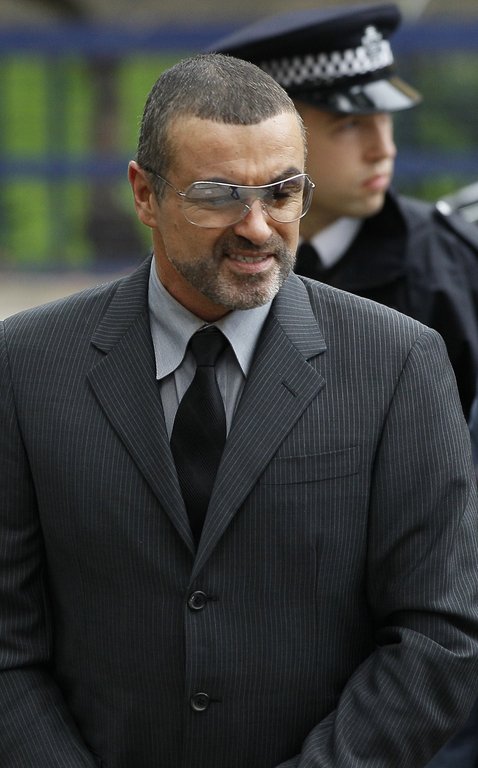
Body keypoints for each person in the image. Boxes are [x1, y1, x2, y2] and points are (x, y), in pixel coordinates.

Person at [1, 52, 478, 768]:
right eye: (219, 196)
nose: (258, 228)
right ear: (144, 194)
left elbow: (441, 630)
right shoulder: (25, 365)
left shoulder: (398, 363)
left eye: (283, 193)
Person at [208, 3, 478, 420]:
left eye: (384, 119)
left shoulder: (444, 271)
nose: (383, 149)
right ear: (274, 135)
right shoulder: (210, 252)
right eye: (350, 125)